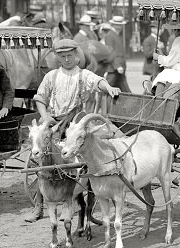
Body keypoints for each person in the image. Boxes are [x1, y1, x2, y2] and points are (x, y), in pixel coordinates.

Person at [26, 38, 122, 221]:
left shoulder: (82, 75)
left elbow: (97, 81)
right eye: (63, 56)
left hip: (72, 122)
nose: (67, 59)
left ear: (76, 56)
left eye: (70, 55)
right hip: (52, 121)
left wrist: (108, 87)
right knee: (42, 162)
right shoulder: (51, 76)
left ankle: (75, 202)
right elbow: (39, 98)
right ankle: (38, 206)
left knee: (79, 157)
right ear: (58, 58)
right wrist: (45, 116)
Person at [102, 15, 131, 92]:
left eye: (120, 25)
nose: (120, 27)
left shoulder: (116, 35)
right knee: (107, 89)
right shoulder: (110, 35)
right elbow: (110, 52)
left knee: (124, 91)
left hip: (118, 68)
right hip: (114, 69)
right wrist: (117, 66)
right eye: (118, 25)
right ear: (113, 25)